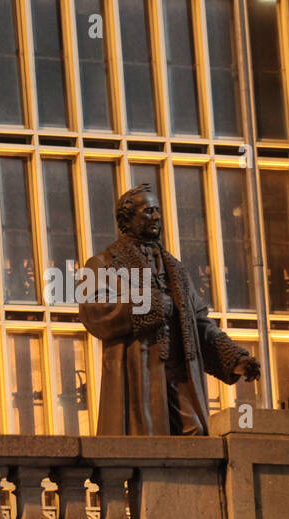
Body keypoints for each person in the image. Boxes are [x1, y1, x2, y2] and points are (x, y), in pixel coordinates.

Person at [78, 184, 261, 435]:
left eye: (157, 211)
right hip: (138, 373)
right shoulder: (102, 264)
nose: (156, 217)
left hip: (180, 374)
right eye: (148, 211)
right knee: (145, 443)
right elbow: (93, 311)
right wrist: (148, 306)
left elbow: (199, 323)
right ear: (127, 220)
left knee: (195, 432)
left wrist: (234, 359)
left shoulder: (176, 269)